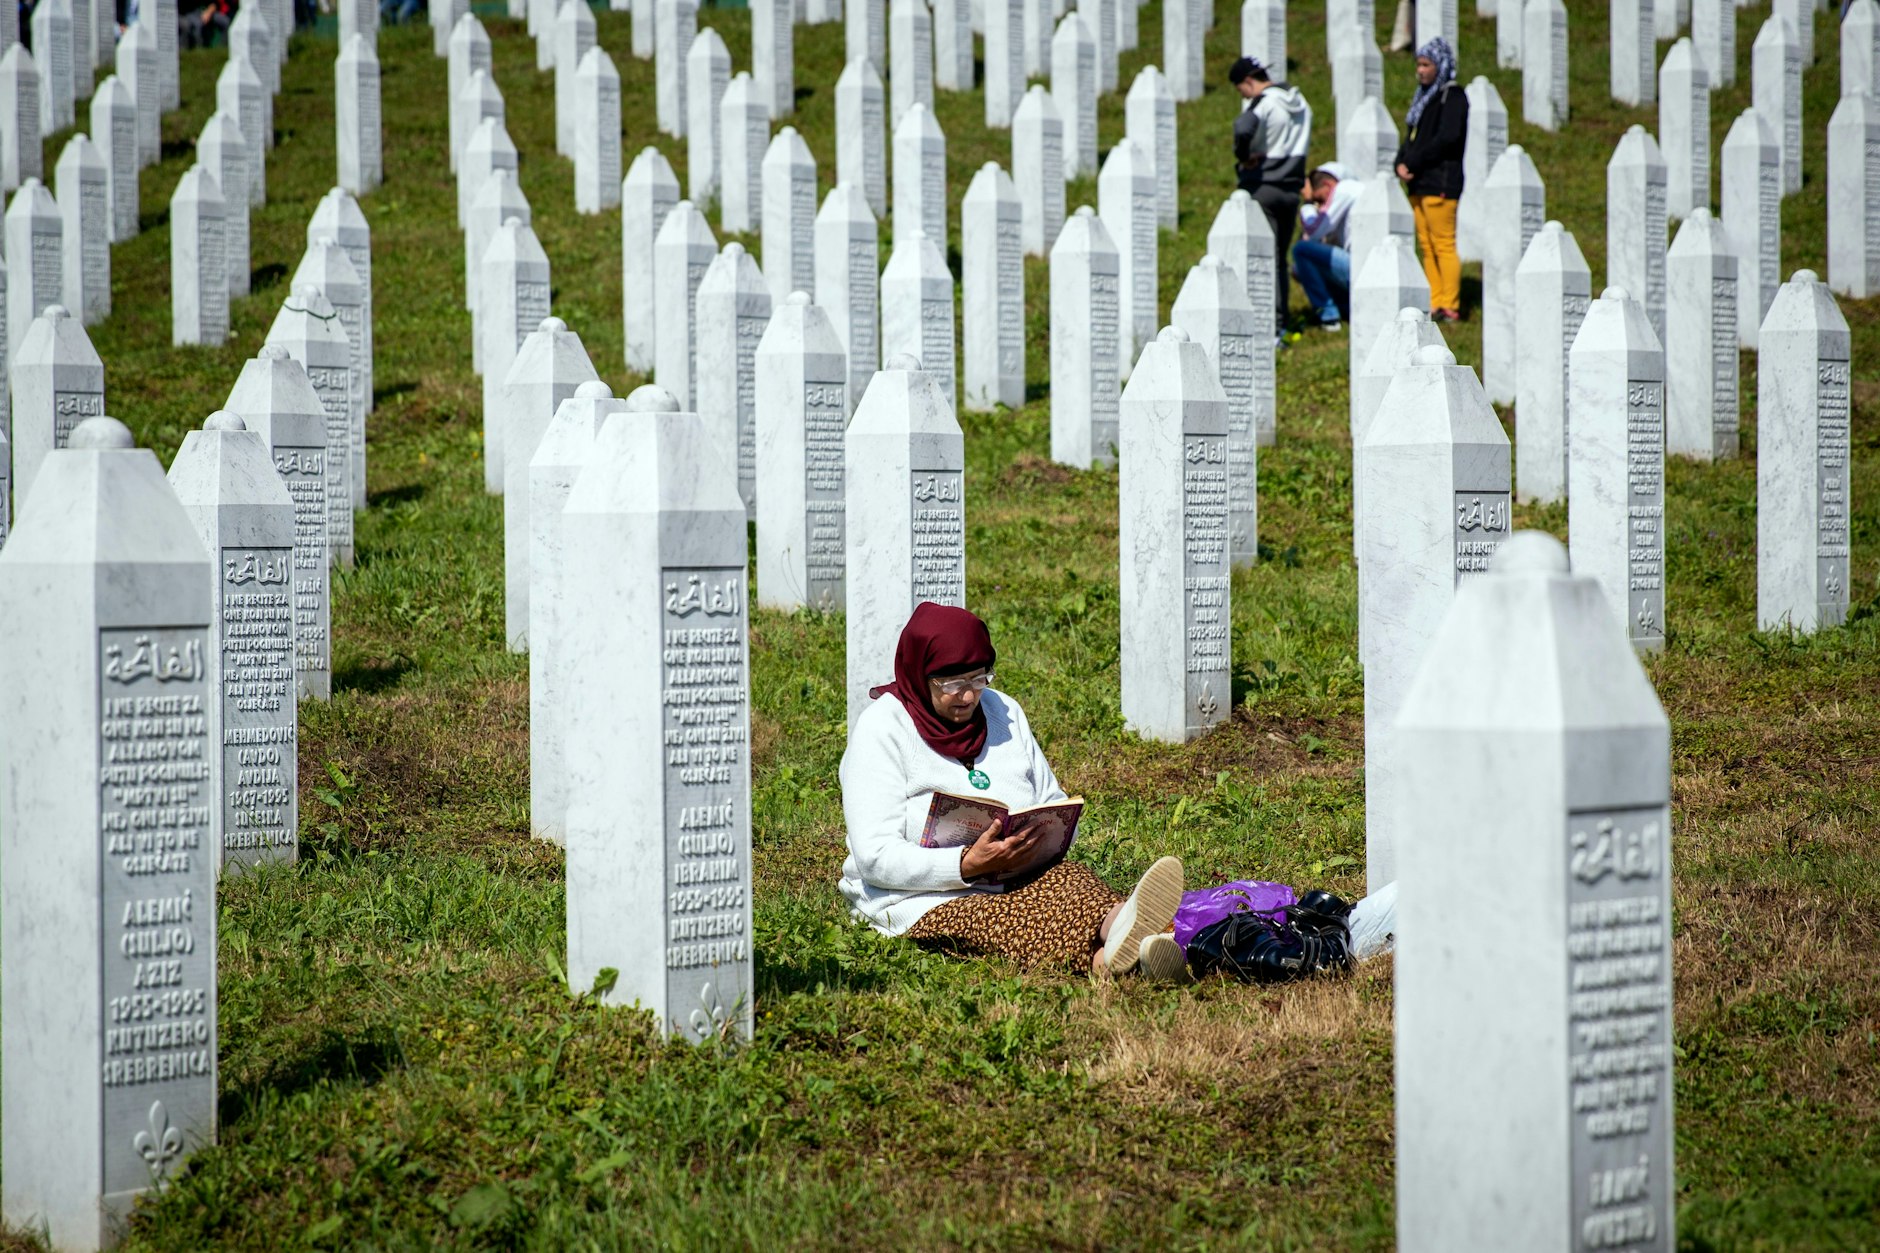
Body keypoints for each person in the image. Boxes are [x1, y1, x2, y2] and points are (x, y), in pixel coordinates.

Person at [839, 603, 1187, 975]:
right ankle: (1126, 960)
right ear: (918, 674)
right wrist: (964, 865)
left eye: (978, 679)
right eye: (952, 684)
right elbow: (875, 857)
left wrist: (1043, 838)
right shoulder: (882, 729)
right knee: (1012, 921)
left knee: (1074, 883)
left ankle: (1125, 926)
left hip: (1017, 874)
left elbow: (1052, 800)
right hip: (923, 898)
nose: (969, 696)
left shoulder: (1003, 710)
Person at [1229, 56, 1312, 330]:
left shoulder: (1264, 102)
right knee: (1278, 258)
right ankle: (1281, 322)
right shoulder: (1301, 104)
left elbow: (1242, 127)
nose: (1243, 95)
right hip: (1290, 190)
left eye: (1240, 90)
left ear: (1249, 81)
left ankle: (1266, 323)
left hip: (1262, 186)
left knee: (1259, 257)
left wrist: (1244, 156)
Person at [1394, 36, 1469, 323]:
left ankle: (1449, 304)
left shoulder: (1453, 97)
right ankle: (1434, 302)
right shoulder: (1423, 97)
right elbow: (1412, 136)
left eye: (1426, 64)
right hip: (1419, 183)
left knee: (1443, 243)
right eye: (1419, 64)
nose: (1421, 70)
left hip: (1441, 182)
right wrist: (1400, 162)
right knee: (1426, 244)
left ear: (1441, 65)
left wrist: (1413, 161)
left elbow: (1447, 138)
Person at [1292, 163, 1362, 329]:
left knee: (1301, 250)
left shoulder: (1343, 190)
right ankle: (1345, 308)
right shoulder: (1357, 190)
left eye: (1320, 199)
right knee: (1300, 267)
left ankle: (1328, 315)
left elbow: (1313, 232)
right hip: (1370, 265)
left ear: (1328, 185)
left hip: (1360, 266)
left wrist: (1308, 203)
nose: (1321, 206)